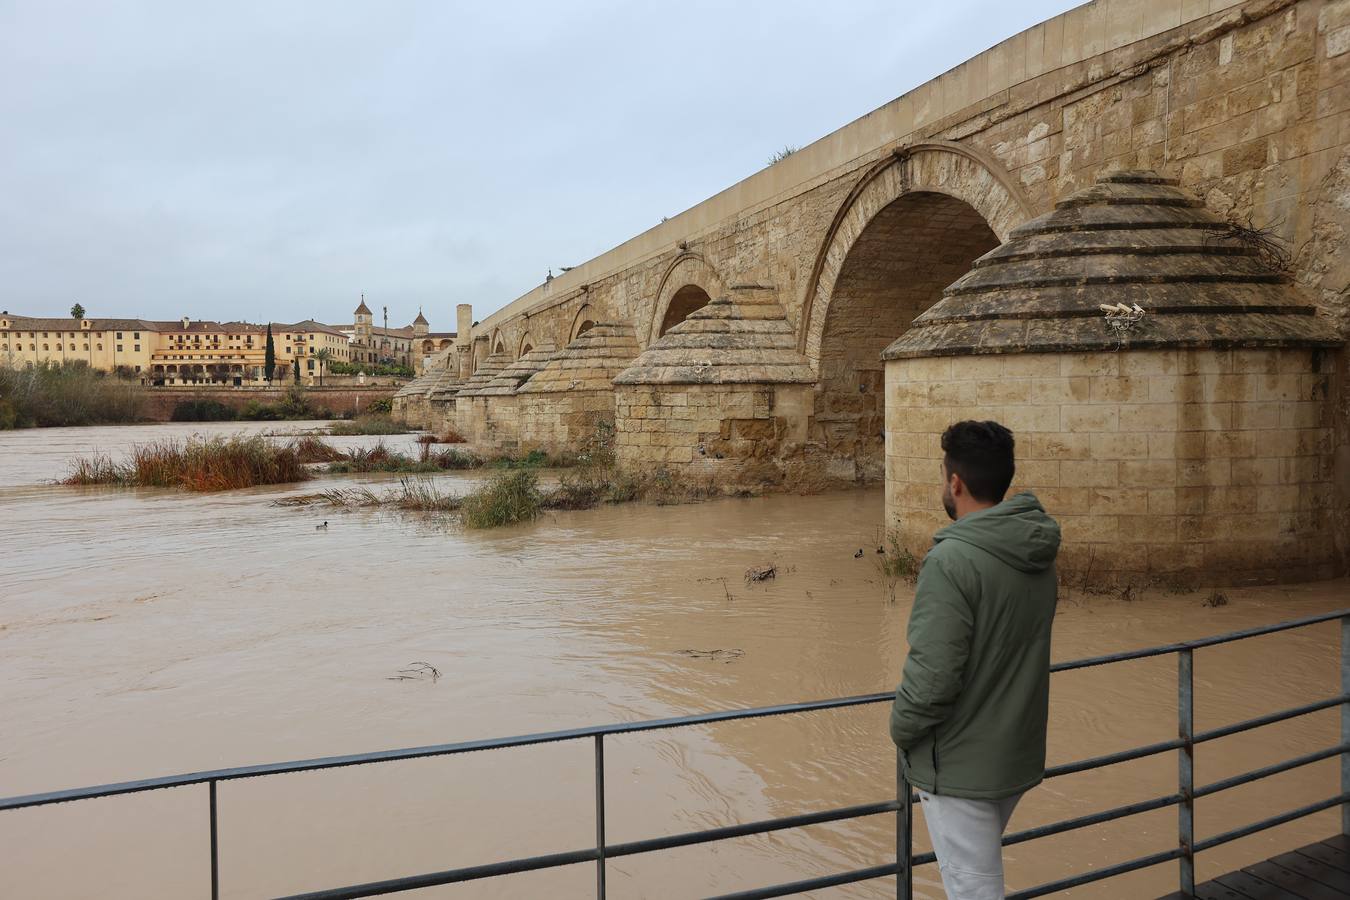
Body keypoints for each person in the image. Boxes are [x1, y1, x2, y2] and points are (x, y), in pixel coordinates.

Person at [889, 420, 1061, 900]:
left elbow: (933, 677)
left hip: (960, 763)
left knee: (974, 890)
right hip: (1013, 752)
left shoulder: (952, 561)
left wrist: (901, 730)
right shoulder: (1035, 550)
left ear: (955, 482)